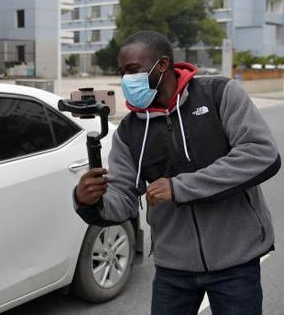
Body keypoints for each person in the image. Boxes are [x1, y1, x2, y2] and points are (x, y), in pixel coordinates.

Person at [74, 30, 281, 315]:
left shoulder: (219, 93)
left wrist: (179, 187)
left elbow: (261, 154)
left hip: (236, 261)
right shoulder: (130, 130)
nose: (126, 80)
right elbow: (123, 197)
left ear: (162, 65)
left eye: (133, 70)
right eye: (122, 72)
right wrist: (90, 201)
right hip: (173, 268)